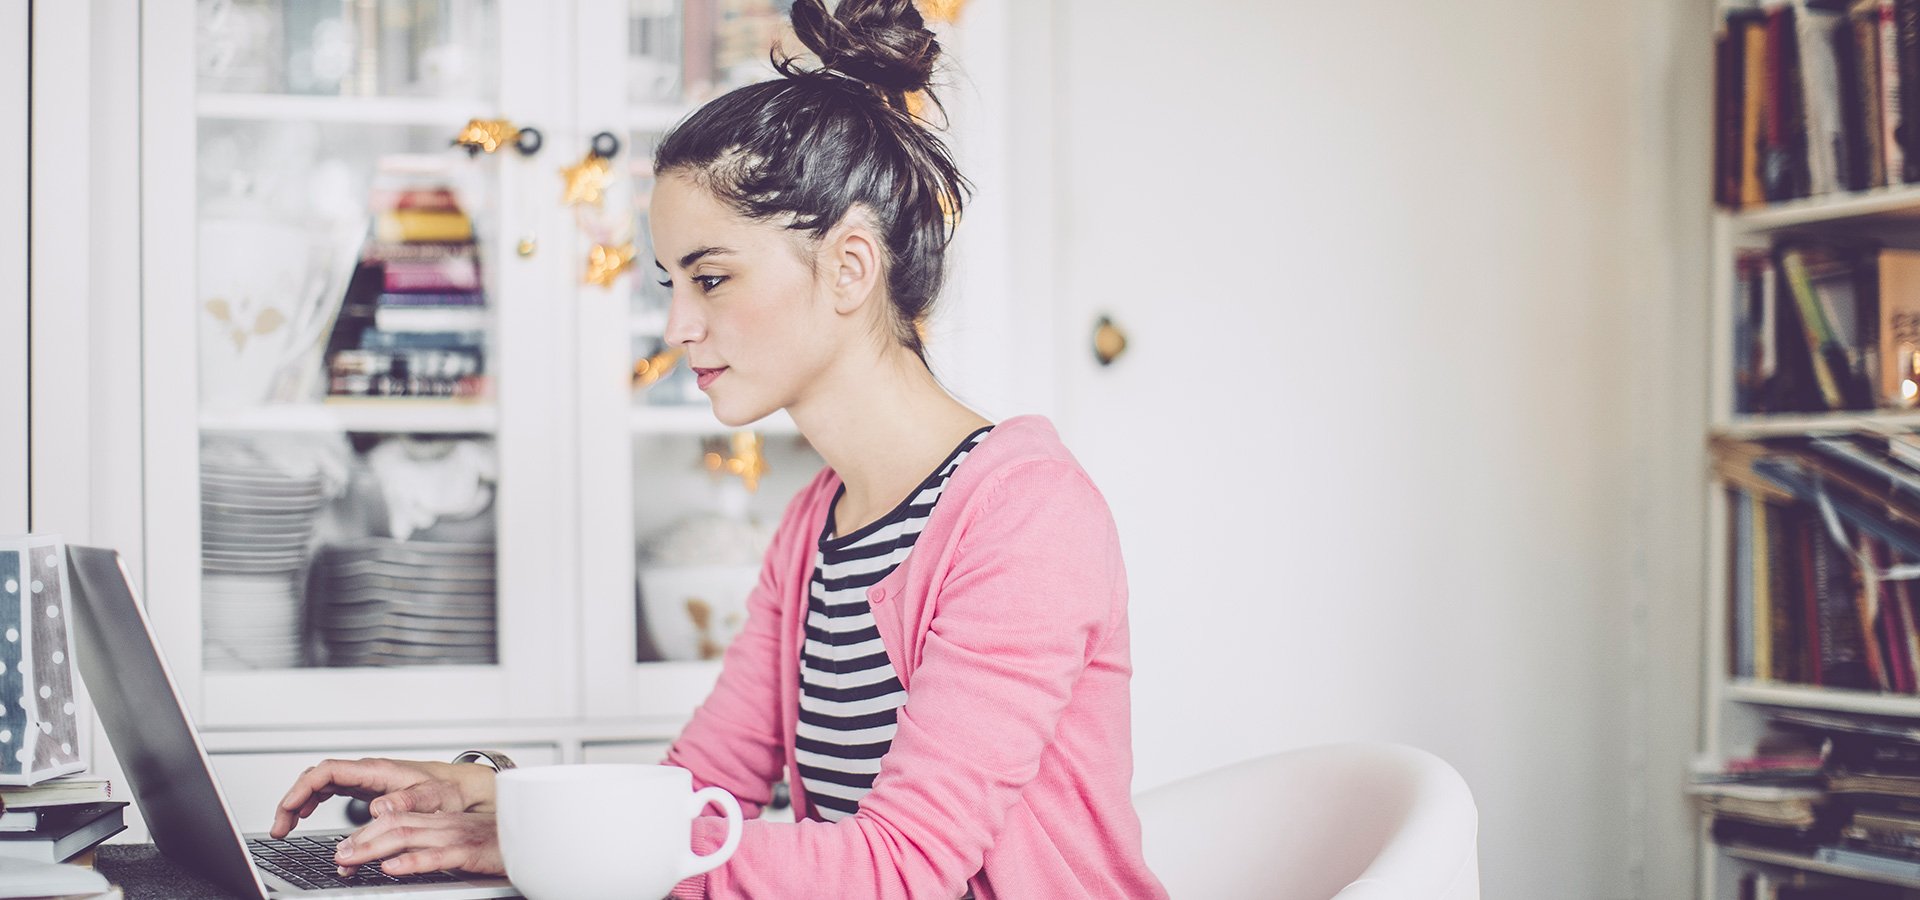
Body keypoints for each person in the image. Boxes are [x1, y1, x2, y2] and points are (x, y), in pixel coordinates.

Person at [270, 1, 1167, 896]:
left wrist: (554, 845)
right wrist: (505, 797)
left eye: (711, 277)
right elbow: (700, 792)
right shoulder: (819, 523)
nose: (676, 325)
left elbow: (901, 870)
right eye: (672, 284)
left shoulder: (1027, 517)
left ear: (851, 266)